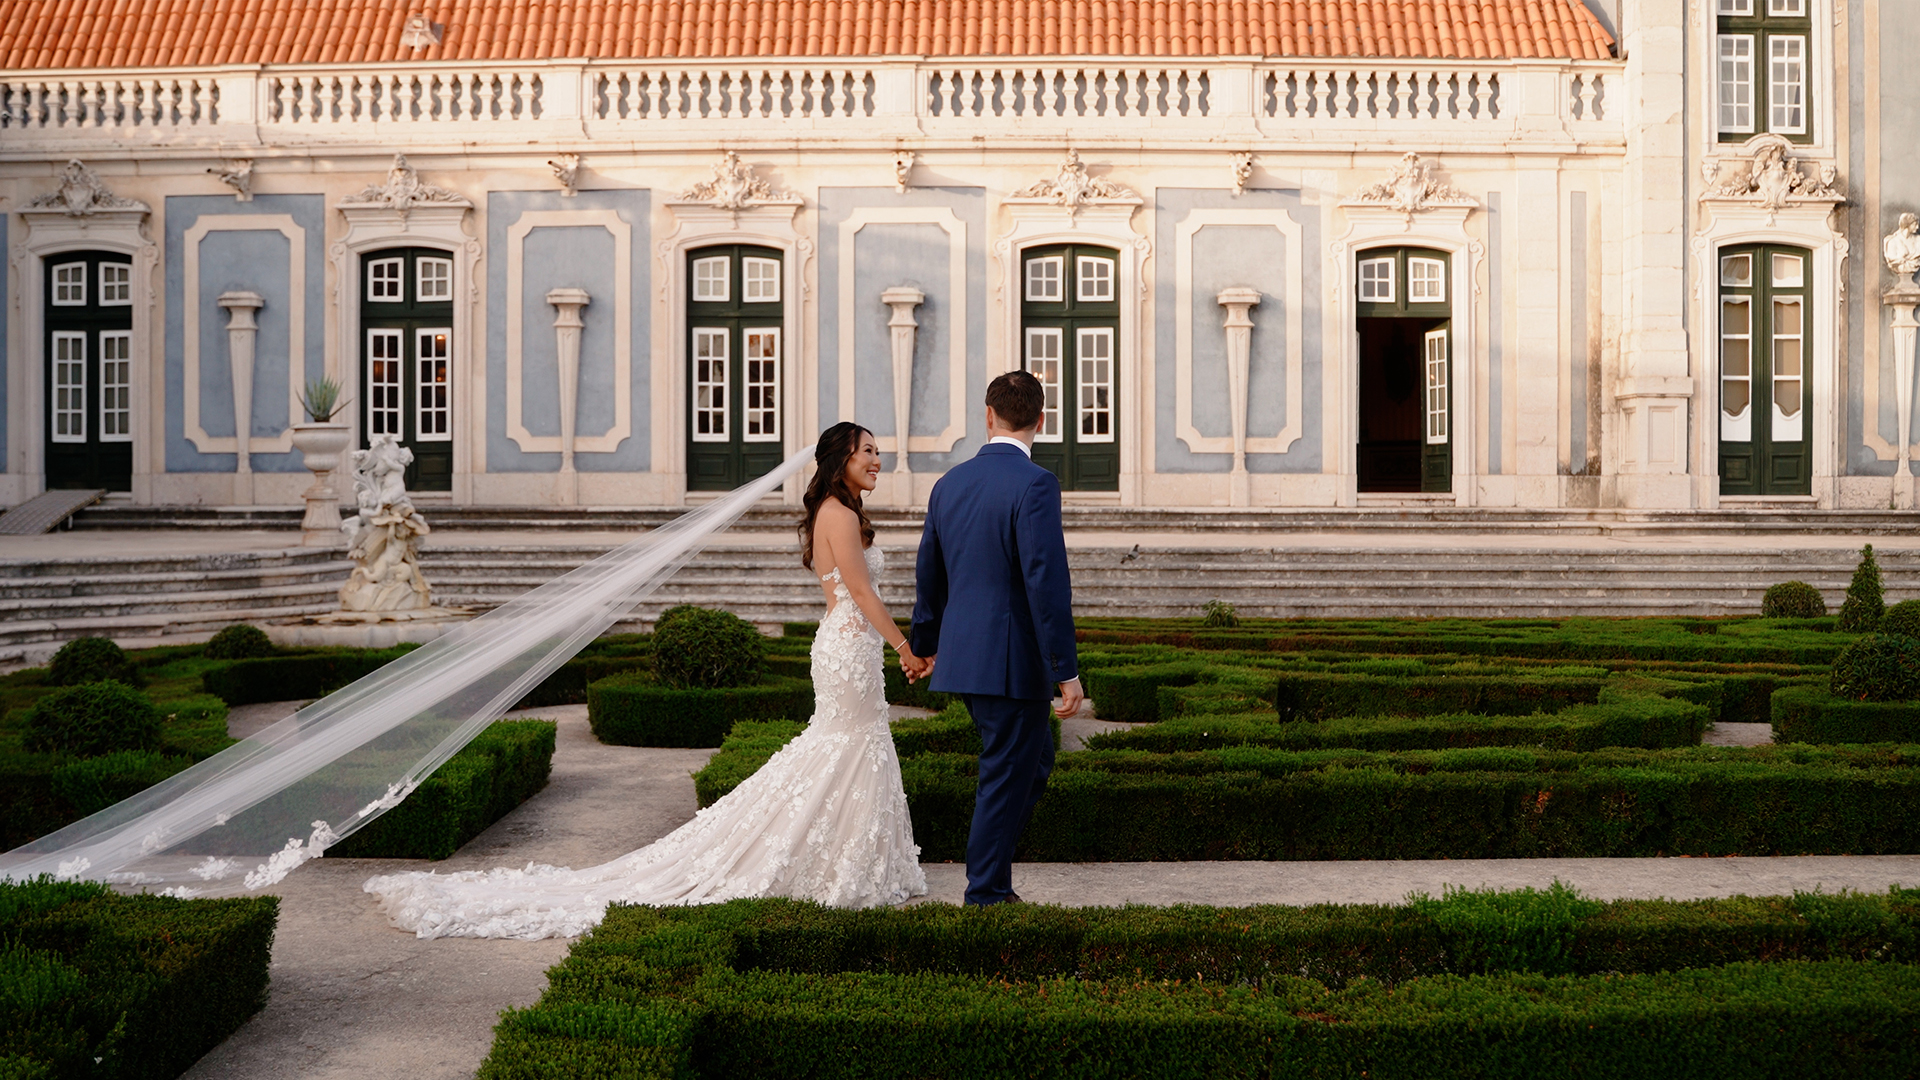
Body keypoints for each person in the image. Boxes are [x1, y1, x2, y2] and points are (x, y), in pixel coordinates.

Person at [363, 423, 928, 938]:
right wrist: (905, 647)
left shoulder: (841, 511)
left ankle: (854, 861)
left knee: (852, 748)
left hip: (848, 648)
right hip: (848, 648)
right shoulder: (839, 513)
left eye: (878, 452)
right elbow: (859, 591)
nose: (879, 460)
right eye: (869, 452)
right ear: (841, 461)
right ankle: (832, 863)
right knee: (846, 746)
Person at [911, 371, 1082, 907]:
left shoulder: (948, 484)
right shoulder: (1036, 484)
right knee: (1008, 773)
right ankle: (986, 893)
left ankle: (992, 880)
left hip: (967, 658)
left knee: (1029, 766)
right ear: (1041, 420)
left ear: (987, 416)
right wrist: (1066, 670)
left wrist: (926, 642)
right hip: (1009, 664)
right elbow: (1045, 582)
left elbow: (928, 573)